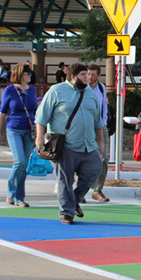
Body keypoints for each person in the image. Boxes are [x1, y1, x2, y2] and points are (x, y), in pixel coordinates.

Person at [36, 63, 105, 225]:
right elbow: (41, 117)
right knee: (65, 180)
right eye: (83, 75)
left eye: (87, 74)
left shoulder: (90, 93)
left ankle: (74, 201)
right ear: (73, 77)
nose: (87, 78)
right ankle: (66, 212)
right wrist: (39, 137)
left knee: (94, 171)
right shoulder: (56, 91)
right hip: (66, 145)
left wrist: (100, 141)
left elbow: (97, 120)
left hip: (89, 145)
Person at [0, 63, 38, 207]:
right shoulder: (10, 90)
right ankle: (10, 192)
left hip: (29, 130)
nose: (30, 76)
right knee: (19, 161)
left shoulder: (32, 90)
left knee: (24, 165)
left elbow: (35, 110)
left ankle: (20, 197)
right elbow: (2, 112)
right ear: (20, 74)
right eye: (28, 73)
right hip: (14, 128)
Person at [85, 64, 112, 202]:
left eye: (93, 74)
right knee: (82, 158)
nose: (90, 77)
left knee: (103, 159)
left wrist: (104, 123)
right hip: (85, 128)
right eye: (88, 74)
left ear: (98, 76)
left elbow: (104, 107)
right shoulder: (82, 87)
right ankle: (79, 190)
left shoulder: (101, 88)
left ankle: (97, 190)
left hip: (101, 127)